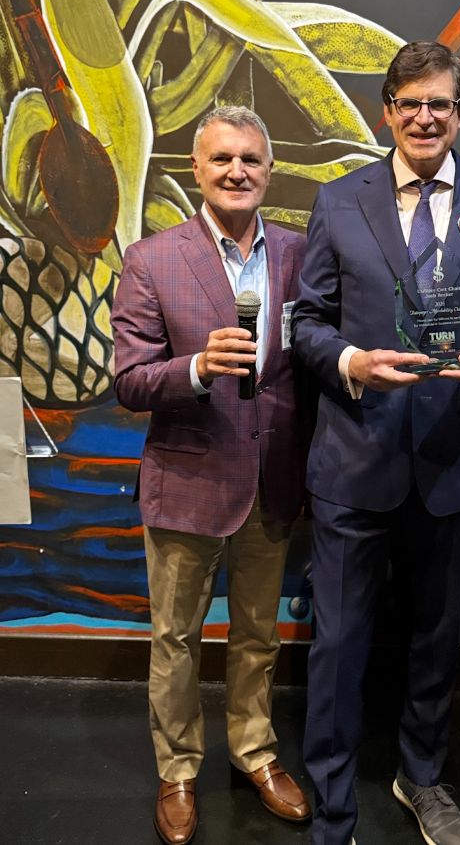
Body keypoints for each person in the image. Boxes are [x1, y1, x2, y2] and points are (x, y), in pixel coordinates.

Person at [291, 41, 460, 845]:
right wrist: (352, 362)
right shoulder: (337, 200)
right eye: (409, 102)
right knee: (339, 644)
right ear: (385, 110)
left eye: (441, 104)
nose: (425, 117)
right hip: (354, 457)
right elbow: (305, 323)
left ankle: (420, 776)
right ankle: (331, 811)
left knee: (435, 636)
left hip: (452, 460)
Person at [111, 106, 311, 844]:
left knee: (259, 633)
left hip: (274, 479)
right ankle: (180, 768)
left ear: (268, 170)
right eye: (222, 159)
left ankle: (255, 752)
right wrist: (194, 367)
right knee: (177, 637)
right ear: (196, 169)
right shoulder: (151, 259)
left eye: (251, 160)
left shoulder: (298, 253)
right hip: (187, 479)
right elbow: (129, 381)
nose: (237, 171)